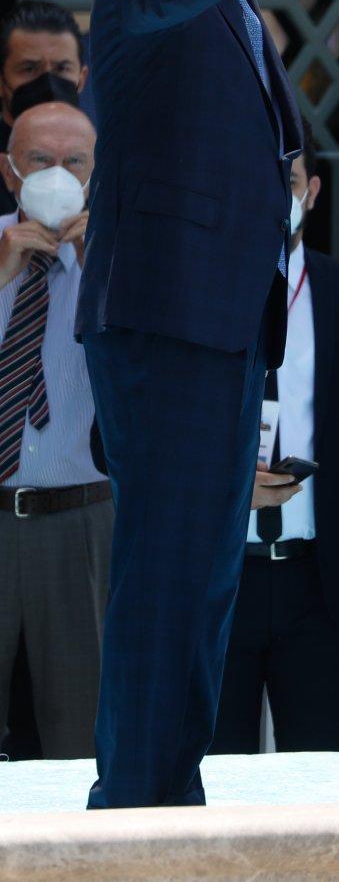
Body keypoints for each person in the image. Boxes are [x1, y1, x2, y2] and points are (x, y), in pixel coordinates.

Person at [75, 0, 339, 808]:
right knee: (167, 570)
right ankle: (139, 803)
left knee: (201, 576)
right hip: (164, 316)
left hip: (219, 323)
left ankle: (163, 788)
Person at [213, 121, 339, 753]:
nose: (272, 196)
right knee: (213, 781)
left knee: (322, 788)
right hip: (219, 577)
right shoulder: (194, 296)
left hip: (325, 587)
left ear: (313, 190)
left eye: (286, 181)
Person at [0, 102, 112, 758]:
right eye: (41, 161)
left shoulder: (121, 261)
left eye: (75, 162)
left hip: (82, 523)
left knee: (82, 740)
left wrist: (106, 267)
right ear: (10, 172)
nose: (58, 175)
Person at [0, 0, 87, 215]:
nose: (49, 83)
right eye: (29, 69)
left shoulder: (108, 170)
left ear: (82, 79)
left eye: (62, 68)